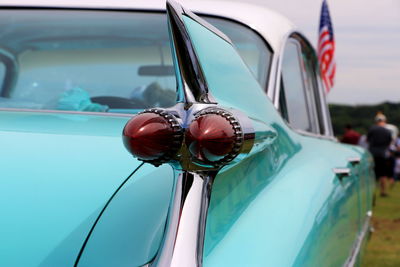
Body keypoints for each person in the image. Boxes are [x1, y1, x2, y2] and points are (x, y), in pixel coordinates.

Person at [367, 112, 392, 197]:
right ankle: (383, 191)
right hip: (383, 154)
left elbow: (368, 140)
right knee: (383, 174)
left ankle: (372, 192)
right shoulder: (388, 131)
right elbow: (389, 143)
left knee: (372, 174)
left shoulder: (372, 129)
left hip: (372, 153)